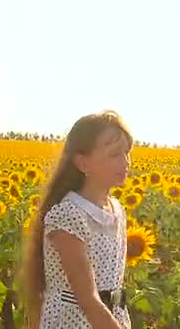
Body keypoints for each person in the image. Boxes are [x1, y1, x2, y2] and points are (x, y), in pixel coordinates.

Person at [22, 110, 133, 329]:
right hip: (74, 321)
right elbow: (87, 298)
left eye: (127, 152)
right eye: (114, 154)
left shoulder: (116, 210)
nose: (125, 162)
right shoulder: (69, 215)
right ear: (83, 163)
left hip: (109, 318)